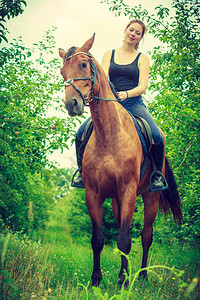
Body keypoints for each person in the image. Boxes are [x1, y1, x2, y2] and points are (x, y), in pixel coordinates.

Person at [72, 19, 166, 191]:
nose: (133, 34)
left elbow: (143, 86)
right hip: (111, 104)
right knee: (80, 133)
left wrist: (127, 94)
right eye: (131, 30)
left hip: (133, 103)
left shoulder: (142, 58)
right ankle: (80, 171)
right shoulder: (109, 54)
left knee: (156, 136)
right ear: (125, 30)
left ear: (140, 38)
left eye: (138, 33)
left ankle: (156, 175)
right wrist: (104, 96)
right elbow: (104, 78)